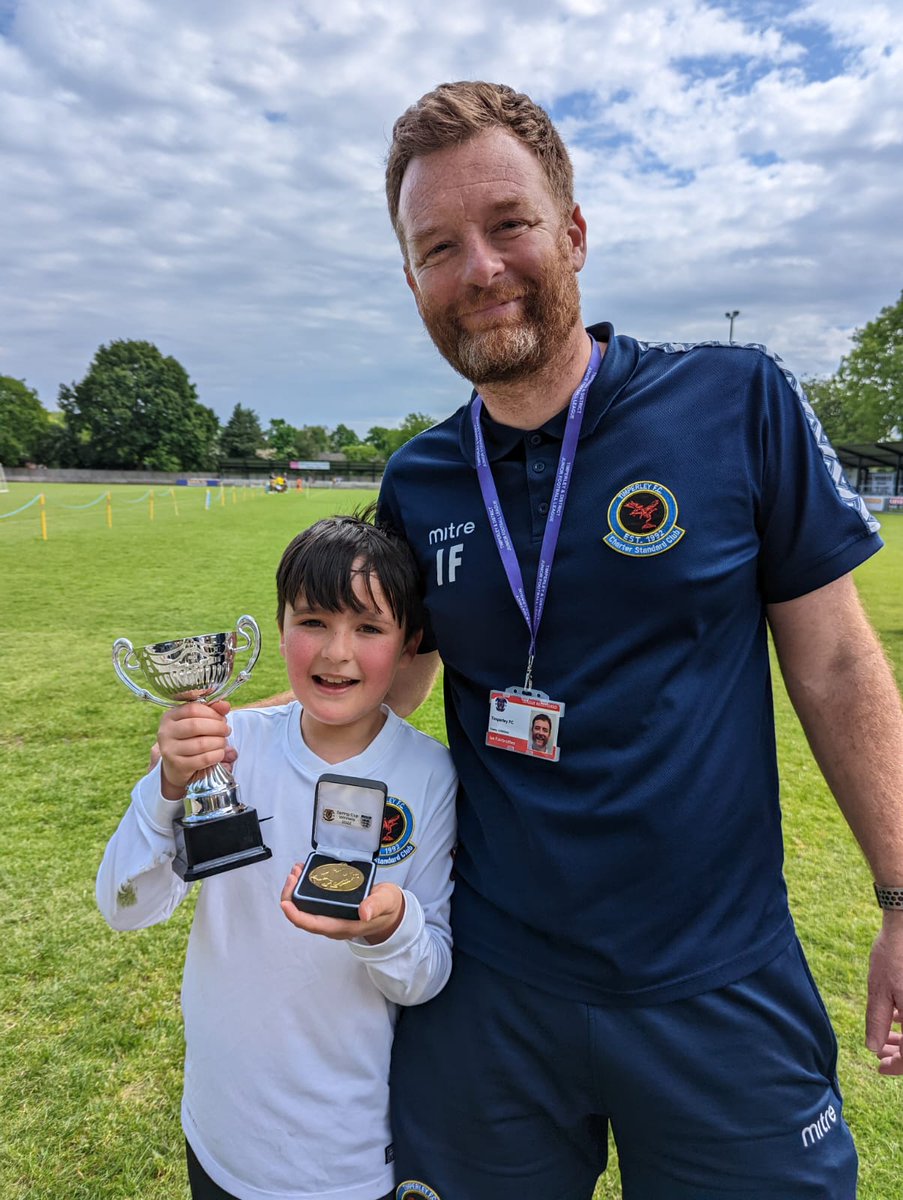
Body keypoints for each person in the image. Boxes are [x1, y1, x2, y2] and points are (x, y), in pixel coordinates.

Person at [374, 81, 903, 1199]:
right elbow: (391, 684)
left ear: (572, 232)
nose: (479, 268)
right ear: (413, 277)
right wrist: (225, 740)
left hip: (716, 987)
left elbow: (839, 663)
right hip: (493, 990)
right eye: (437, 246)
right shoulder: (418, 480)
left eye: (509, 223)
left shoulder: (734, 401)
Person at [96, 514, 457, 1200]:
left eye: (369, 628)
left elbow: (427, 974)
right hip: (221, 1130)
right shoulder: (233, 747)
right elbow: (126, 910)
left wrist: (388, 926)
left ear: (409, 642)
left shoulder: (431, 777)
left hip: (345, 1159)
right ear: (277, 628)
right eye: (313, 621)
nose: (336, 654)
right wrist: (166, 789)